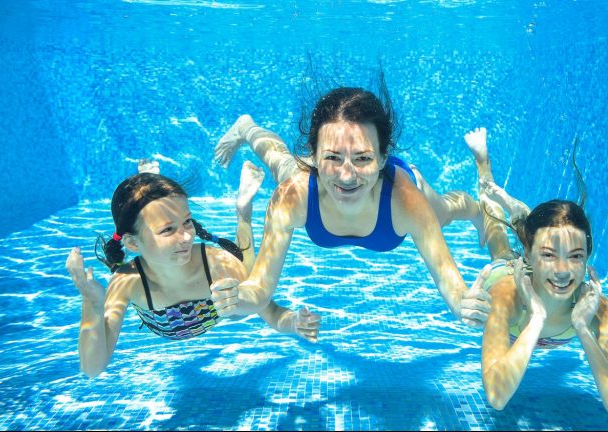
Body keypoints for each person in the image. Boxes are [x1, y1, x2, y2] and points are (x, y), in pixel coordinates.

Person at [213, 84, 511, 328]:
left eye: (363, 158)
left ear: (383, 158)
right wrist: (238, 296)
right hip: (313, 183)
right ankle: (246, 127)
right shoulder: (294, 196)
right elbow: (260, 291)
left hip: (399, 191)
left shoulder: (405, 201)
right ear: (314, 157)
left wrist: (464, 304)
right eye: (332, 157)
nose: (346, 175)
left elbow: (454, 288)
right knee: (281, 164)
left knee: (443, 212)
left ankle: (474, 209)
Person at [65, 161, 320, 378]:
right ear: (133, 243)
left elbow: (270, 310)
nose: (187, 237)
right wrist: (92, 303)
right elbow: (92, 369)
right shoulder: (127, 281)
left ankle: (243, 210)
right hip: (158, 301)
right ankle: (149, 179)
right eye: (168, 230)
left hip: (218, 303)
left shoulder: (216, 263)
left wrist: (295, 322)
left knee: (246, 290)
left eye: (187, 222)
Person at [463, 129, 608, 429]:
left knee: (525, 226)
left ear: (588, 258)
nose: (562, 270)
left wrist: (582, 327)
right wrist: (537, 317)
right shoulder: (508, 296)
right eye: (548, 255)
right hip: (512, 272)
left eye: (576, 256)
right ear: (529, 256)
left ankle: (518, 213)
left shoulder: (600, 310)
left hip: (532, 261)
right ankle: (484, 166)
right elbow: (496, 396)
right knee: (495, 233)